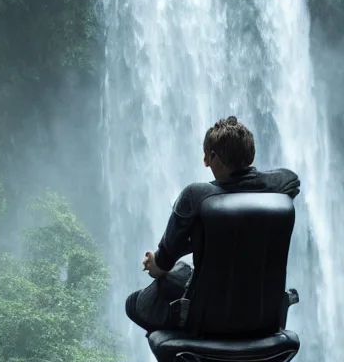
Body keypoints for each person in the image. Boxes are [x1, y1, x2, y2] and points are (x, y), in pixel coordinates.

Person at [125, 116, 301, 334]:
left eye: (206, 157)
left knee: (134, 302)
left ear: (214, 157)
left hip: (206, 321)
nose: (206, 163)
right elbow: (290, 179)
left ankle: (179, 359)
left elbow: (163, 263)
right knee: (181, 272)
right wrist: (246, 176)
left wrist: (155, 262)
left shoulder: (196, 196)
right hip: (266, 317)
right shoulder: (279, 189)